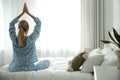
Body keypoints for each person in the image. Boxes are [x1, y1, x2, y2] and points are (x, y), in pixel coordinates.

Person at [9, 3, 50, 72]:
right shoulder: (31, 39)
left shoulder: (14, 39)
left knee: (11, 62)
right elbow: (38, 23)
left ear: (18, 28)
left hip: (15, 69)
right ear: (28, 28)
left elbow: (11, 24)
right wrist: (28, 13)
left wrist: (22, 13)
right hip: (29, 68)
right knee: (47, 62)